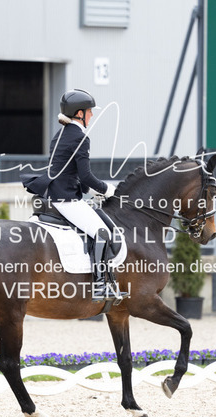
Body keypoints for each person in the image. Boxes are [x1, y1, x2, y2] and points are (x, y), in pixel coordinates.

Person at [22, 89, 125, 302]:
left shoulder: (60, 135)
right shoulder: (80, 137)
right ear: (79, 113)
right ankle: (100, 285)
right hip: (66, 200)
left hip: (55, 194)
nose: (92, 115)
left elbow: (69, 172)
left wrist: (89, 191)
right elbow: (85, 175)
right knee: (102, 233)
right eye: (89, 111)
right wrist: (108, 190)